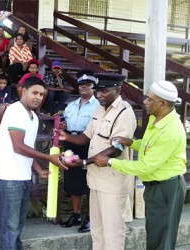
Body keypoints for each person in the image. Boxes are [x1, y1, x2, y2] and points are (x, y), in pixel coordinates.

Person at [93, 80, 187, 250]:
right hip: (156, 186)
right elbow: (148, 145)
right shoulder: (157, 118)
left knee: (161, 241)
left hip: (166, 188)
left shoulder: (171, 131)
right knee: (155, 234)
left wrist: (110, 162)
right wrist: (131, 142)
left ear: (162, 104)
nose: (145, 102)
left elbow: (145, 167)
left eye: (150, 99)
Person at [57, 73, 137, 250]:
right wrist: (66, 136)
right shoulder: (99, 109)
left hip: (112, 183)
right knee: (97, 230)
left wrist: (85, 162)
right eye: (98, 91)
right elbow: (87, 136)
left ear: (118, 89)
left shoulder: (125, 112)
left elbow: (117, 147)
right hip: (95, 181)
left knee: (113, 232)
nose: (99, 95)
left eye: (104, 91)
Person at [0, 76, 67, 250]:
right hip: (8, 176)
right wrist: (48, 158)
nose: (38, 97)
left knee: (18, 224)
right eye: (34, 93)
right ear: (24, 91)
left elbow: (28, 147)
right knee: (10, 225)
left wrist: (38, 169)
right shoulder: (15, 111)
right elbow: (18, 146)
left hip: (22, 175)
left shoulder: (33, 117)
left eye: (41, 94)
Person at [60, 70, 100, 233]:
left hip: (89, 145)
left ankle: (91, 218)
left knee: (90, 182)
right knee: (73, 181)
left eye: (88, 85)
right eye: (81, 84)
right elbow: (66, 125)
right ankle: (76, 214)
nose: (84, 87)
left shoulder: (99, 106)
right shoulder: (71, 105)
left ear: (93, 87)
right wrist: (63, 127)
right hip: (71, 144)